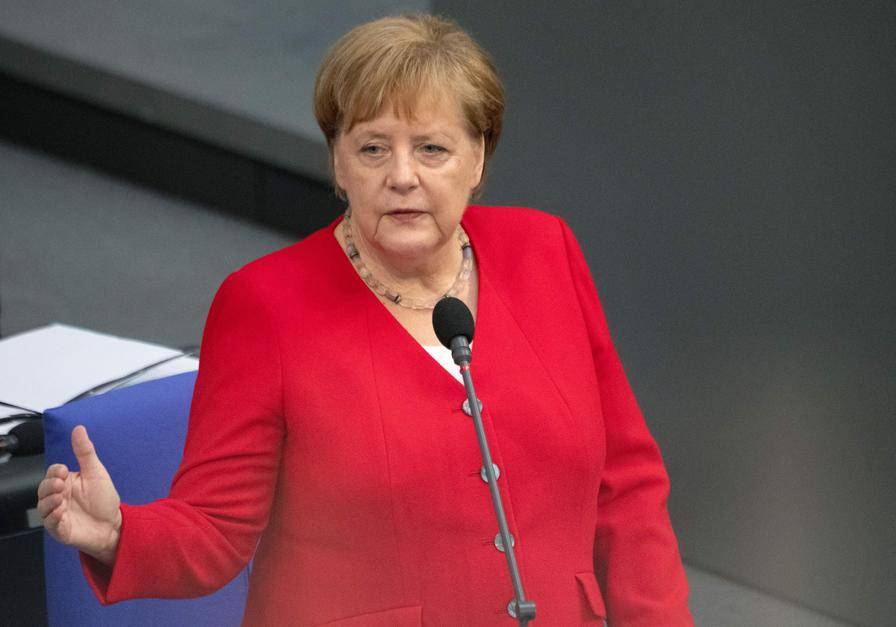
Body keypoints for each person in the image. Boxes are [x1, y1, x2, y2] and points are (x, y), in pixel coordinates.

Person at [37, 14, 693, 626]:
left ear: (479, 158)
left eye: (432, 148)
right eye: (373, 148)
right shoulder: (266, 305)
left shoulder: (545, 250)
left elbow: (626, 487)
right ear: (338, 163)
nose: (402, 176)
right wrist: (119, 532)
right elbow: (215, 527)